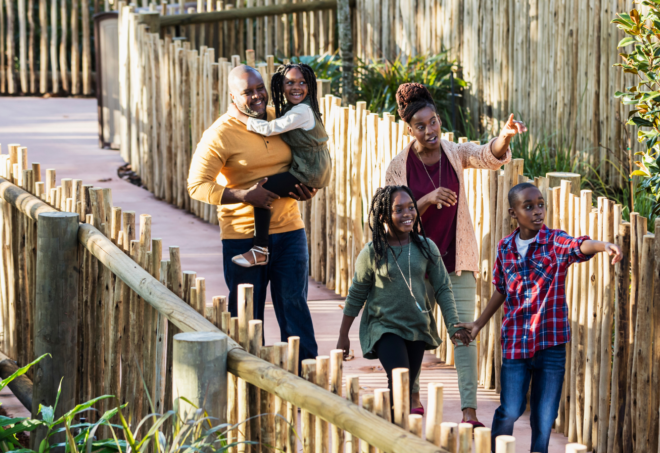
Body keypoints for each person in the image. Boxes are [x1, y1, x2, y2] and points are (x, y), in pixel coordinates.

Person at [383, 82, 527, 427]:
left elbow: (485, 154)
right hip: (414, 263)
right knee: (412, 332)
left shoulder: (453, 153)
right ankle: (413, 397)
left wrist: (505, 136)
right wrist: (427, 200)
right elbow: (389, 218)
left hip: (456, 259)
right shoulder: (397, 167)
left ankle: (469, 411)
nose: (430, 130)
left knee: (464, 332)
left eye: (433, 121)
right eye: (421, 125)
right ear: (409, 129)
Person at [457, 183, 623, 453]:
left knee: (544, 417)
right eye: (529, 206)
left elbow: (579, 246)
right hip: (516, 342)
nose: (537, 212)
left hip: (550, 344)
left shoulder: (554, 242)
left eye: (541, 205)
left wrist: (603, 245)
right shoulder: (505, 248)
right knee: (510, 409)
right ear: (514, 212)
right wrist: (478, 324)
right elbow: (501, 289)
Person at [187, 64, 319, 364]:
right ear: (233, 97)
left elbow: (306, 160)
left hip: (289, 230)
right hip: (243, 238)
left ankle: (310, 382)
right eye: (248, 92)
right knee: (247, 318)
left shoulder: (281, 118)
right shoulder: (219, 134)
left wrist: (307, 188)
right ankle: (250, 390)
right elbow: (196, 185)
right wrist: (245, 196)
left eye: (260, 88)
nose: (258, 96)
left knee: (295, 306)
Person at [336, 185, 472, 417]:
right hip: (384, 327)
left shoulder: (426, 247)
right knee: (399, 377)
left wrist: (453, 325)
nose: (408, 213)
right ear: (383, 216)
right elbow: (356, 294)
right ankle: (395, 433)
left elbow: (442, 288)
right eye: (399, 209)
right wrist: (343, 335)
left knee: (406, 386)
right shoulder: (372, 253)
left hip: (417, 327)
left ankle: (395, 432)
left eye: (411, 207)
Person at [230, 63, 332, 268]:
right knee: (269, 188)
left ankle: (260, 249)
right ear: (280, 85)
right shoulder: (294, 108)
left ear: (310, 86)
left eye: (303, 82)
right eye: (290, 82)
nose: (297, 87)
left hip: (310, 169)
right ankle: (261, 248)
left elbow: (270, 128)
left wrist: (241, 117)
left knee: (263, 189)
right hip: (310, 166)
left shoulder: (301, 111)